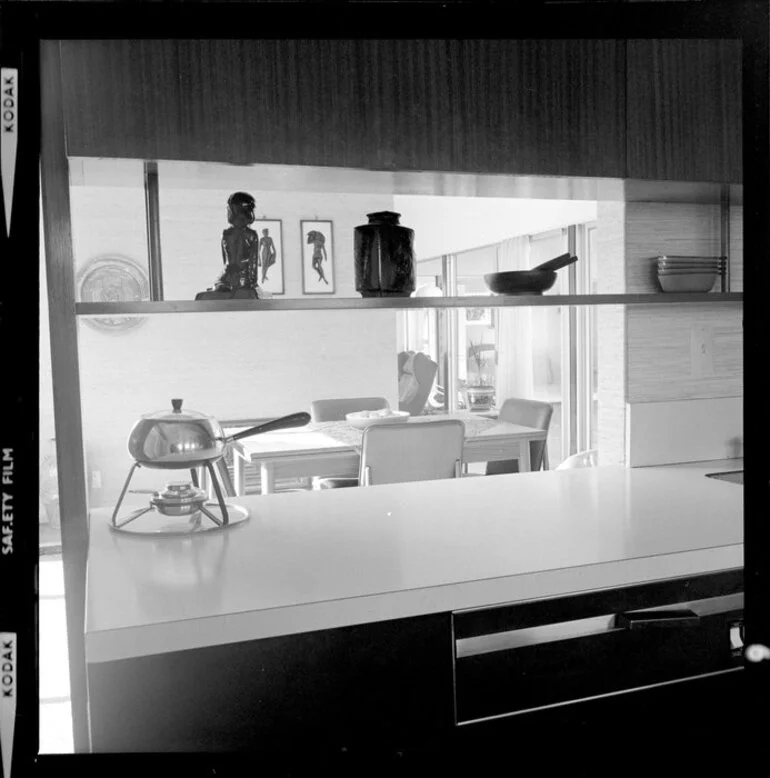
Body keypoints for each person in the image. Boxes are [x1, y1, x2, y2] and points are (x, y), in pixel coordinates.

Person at [214, 192, 259, 293]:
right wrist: (252, 283)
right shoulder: (252, 235)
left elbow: (227, 262)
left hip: (227, 280)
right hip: (244, 280)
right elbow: (253, 265)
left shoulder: (226, 234)